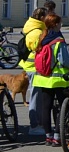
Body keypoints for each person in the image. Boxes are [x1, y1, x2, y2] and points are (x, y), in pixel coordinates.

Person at [33, 13, 69, 146]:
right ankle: (57, 136)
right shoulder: (58, 41)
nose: (61, 25)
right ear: (55, 25)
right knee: (63, 108)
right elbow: (65, 61)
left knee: (45, 108)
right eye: (60, 23)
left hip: (42, 79)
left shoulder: (41, 39)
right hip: (58, 80)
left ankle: (48, 136)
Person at [20, 7, 47, 135]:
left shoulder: (35, 28)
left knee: (39, 96)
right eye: (45, 16)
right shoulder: (36, 31)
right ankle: (34, 126)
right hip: (34, 68)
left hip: (35, 67)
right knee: (36, 97)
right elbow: (38, 49)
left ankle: (39, 123)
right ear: (41, 17)